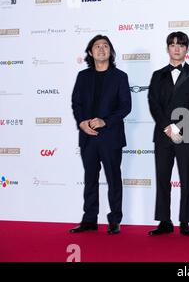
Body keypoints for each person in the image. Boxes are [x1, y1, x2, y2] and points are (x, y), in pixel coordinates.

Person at [70, 35, 131, 235]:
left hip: (111, 136)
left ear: (110, 52)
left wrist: (105, 121)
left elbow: (125, 107)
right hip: (88, 136)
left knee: (113, 178)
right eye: (97, 46)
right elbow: (76, 103)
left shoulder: (120, 77)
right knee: (90, 178)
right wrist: (82, 123)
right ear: (90, 52)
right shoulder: (82, 76)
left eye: (106, 46)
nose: (101, 49)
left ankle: (115, 220)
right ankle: (89, 220)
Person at [147, 31, 189, 237]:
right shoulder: (157, 75)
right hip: (163, 134)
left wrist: (178, 127)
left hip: (187, 133)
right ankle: (164, 221)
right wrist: (167, 127)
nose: (177, 48)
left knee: (188, 178)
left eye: (181, 45)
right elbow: (153, 104)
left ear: (187, 49)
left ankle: (185, 221)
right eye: (172, 45)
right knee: (162, 177)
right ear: (167, 48)